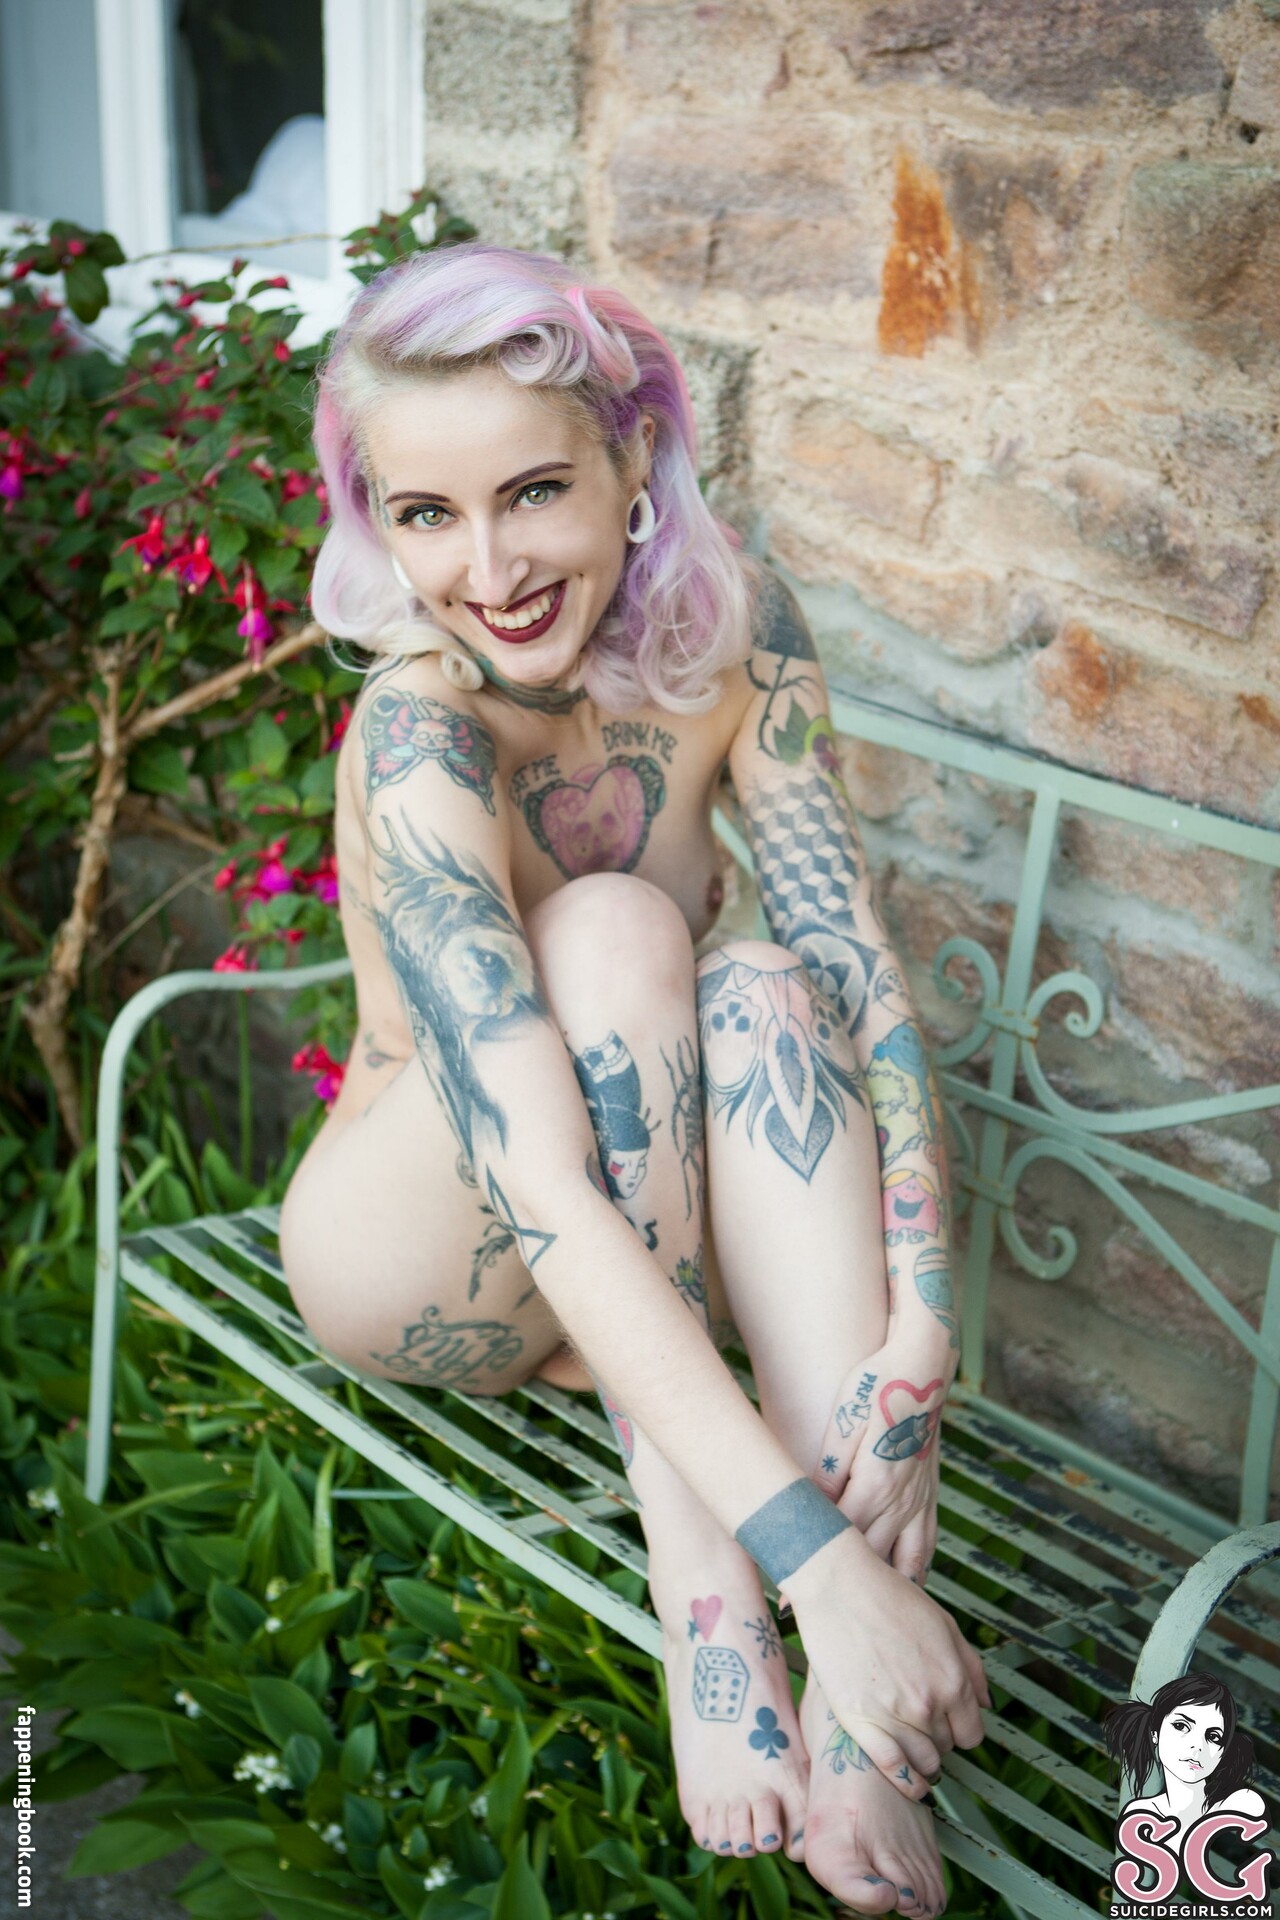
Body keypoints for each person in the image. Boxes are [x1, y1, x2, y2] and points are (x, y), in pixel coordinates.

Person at [279, 241, 989, 1916]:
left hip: (636, 1225)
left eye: (534, 492)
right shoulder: (422, 730)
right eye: (427, 515)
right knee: (609, 927)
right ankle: (720, 1601)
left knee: (764, 982)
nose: (489, 569)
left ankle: (859, 1723)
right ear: (379, 522)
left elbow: (855, 966)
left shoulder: (740, 641)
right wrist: (808, 1567)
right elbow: (535, 1177)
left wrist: (924, 1328)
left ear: (633, 461)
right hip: (425, 1247)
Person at [1105, 1675, 1263, 1860]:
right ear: (1155, 1733)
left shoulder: (1241, 1803)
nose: (1197, 1746)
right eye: (1181, 1726)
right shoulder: (1140, 1811)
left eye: (1213, 1736)